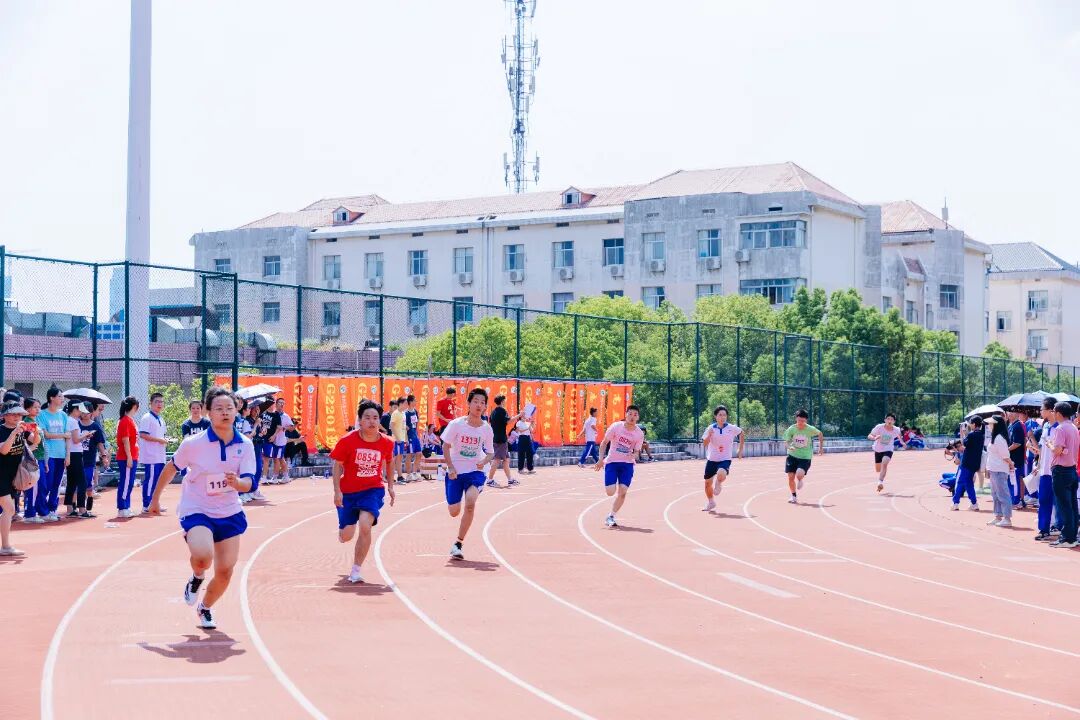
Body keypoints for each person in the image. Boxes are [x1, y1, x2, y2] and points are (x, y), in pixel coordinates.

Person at [149, 386, 255, 630]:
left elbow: (250, 481)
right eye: (219, 408)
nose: (225, 412)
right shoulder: (193, 443)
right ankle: (197, 577)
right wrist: (155, 500)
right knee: (203, 556)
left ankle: (205, 607)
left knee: (225, 571)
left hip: (228, 510)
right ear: (208, 412)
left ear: (236, 411)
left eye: (229, 408)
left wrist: (237, 483)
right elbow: (171, 468)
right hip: (197, 507)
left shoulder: (245, 445)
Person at [331, 400, 396, 583]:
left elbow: (390, 462)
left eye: (375, 418)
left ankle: (356, 570)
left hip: (372, 490)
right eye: (367, 417)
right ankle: (343, 531)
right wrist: (337, 491)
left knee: (366, 525)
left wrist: (391, 486)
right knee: (347, 535)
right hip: (348, 492)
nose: (371, 421)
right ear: (359, 420)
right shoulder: (347, 441)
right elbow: (337, 465)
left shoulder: (387, 443)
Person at [440, 388, 495, 560]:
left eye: (482, 403)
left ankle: (458, 543)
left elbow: (491, 453)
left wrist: (483, 462)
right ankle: (452, 498)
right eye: (476, 401)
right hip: (455, 472)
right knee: (454, 511)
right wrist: (450, 467)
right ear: (469, 403)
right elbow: (445, 445)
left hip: (475, 472)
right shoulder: (456, 424)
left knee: (470, 503)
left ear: (485, 407)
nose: (479, 405)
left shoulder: (486, 429)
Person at [594, 405, 645, 528]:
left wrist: (634, 455)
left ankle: (611, 516)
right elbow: (604, 443)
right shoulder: (616, 427)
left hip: (627, 465)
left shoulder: (639, 433)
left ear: (638, 417)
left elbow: (637, 452)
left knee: (623, 492)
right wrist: (600, 459)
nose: (632, 417)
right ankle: (611, 483)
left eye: (635, 415)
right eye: (630, 414)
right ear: (626, 415)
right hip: (612, 462)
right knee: (610, 492)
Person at [1046, 401, 1080, 548]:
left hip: (1061, 470)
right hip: (1072, 469)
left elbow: (1057, 450)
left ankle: (1067, 538)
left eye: (1054, 411)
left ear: (1059, 413)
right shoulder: (1073, 427)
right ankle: (1071, 537)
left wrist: (1050, 444)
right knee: (1072, 505)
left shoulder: (1060, 429)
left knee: (1064, 505)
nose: (1053, 413)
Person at [700, 405, 744, 512]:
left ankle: (719, 483)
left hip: (725, 458)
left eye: (724, 415)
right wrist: (709, 435)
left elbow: (741, 433)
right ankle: (711, 502)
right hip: (712, 459)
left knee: (721, 472)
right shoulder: (710, 428)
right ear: (715, 416)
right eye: (720, 415)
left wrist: (740, 449)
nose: (722, 417)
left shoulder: (731, 428)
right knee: (707, 484)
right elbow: (705, 444)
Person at [0, 401, 30, 555]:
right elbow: (4, 450)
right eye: (13, 414)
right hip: (1, 475)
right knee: (9, 509)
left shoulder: (22, 428)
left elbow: (35, 441)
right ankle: (5, 547)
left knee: (9, 510)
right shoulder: (1, 430)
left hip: (11, 475)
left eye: (19, 414)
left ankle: (5, 546)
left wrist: (36, 432)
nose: (17, 417)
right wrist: (14, 433)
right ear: (4, 415)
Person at [37, 386, 69, 522]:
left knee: (56, 484)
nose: (62, 399)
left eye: (62, 397)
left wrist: (68, 455)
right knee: (47, 483)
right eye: (60, 396)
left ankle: (52, 510)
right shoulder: (42, 415)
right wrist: (62, 435)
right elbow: (46, 435)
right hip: (48, 454)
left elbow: (68, 437)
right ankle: (42, 510)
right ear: (51, 398)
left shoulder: (63, 415)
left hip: (61, 454)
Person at [783, 409, 824, 504]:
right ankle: (793, 496)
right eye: (799, 420)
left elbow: (820, 433)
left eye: (803, 421)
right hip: (792, 455)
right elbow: (786, 441)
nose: (800, 423)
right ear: (796, 419)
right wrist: (789, 446)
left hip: (805, 457)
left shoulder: (810, 429)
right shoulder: (791, 429)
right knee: (790, 476)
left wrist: (821, 447)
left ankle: (800, 479)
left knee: (799, 473)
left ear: (806, 420)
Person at [138, 392, 169, 514]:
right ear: (150, 403)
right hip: (150, 455)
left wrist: (165, 440)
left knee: (158, 481)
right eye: (157, 402)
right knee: (150, 480)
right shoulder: (147, 417)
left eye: (161, 402)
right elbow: (143, 435)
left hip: (160, 455)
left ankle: (155, 503)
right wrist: (159, 440)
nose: (159, 404)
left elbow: (161, 435)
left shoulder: (161, 418)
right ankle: (146, 504)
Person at [62, 402, 93, 518]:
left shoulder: (67, 420)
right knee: (81, 482)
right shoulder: (73, 421)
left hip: (71, 453)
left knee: (72, 481)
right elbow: (75, 440)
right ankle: (82, 509)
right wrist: (86, 435)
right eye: (80, 410)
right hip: (75, 453)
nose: (81, 412)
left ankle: (70, 508)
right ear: (75, 409)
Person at [1034, 397, 1059, 541]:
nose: (1040, 411)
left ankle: (1059, 528)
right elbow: (1043, 449)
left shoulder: (1059, 428)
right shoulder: (1045, 427)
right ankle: (1044, 529)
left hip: (1056, 470)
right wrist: (1038, 465)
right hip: (1044, 470)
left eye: (1042, 409)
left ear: (1051, 410)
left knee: (1059, 501)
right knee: (1043, 499)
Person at [984, 416, 1015, 527]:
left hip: (999, 470)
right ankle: (998, 516)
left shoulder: (999, 438)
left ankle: (1007, 518)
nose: (988, 425)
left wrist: (1011, 464)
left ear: (996, 425)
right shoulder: (995, 437)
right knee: (995, 494)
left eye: (991, 423)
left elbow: (1005, 456)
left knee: (1002, 494)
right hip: (994, 469)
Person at [19, 397, 46, 524]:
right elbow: (34, 440)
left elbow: (41, 442)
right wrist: (36, 434)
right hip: (31, 458)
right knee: (32, 487)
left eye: (39, 407)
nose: (38, 409)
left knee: (40, 486)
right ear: (27, 409)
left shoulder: (36, 421)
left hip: (39, 457)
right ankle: (30, 513)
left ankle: (39, 511)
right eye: (35, 407)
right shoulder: (26, 423)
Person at [80, 403, 108, 518]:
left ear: (91, 413)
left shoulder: (95, 426)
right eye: (83, 412)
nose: (85, 414)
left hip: (89, 459)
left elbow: (100, 443)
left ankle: (89, 503)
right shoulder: (76, 425)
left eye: (87, 412)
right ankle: (79, 507)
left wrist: (104, 456)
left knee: (88, 482)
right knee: (79, 483)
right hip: (77, 458)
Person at [115, 396, 141, 518]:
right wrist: (129, 457)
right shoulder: (125, 421)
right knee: (126, 482)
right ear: (134, 407)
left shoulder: (130, 420)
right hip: (126, 457)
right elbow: (125, 440)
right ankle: (122, 507)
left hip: (132, 456)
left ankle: (126, 506)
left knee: (129, 483)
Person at [486, 394, 519, 488]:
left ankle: (510, 480)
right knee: (497, 459)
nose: (505, 402)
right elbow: (509, 421)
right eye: (505, 400)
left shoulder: (493, 412)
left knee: (506, 460)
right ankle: (490, 480)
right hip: (500, 439)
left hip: (498, 438)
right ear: (502, 401)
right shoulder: (502, 410)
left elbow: (490, 422)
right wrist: (519, 415)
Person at [953, 416, 984, 511]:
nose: (970, 425)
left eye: (971, 423)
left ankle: (956, 503)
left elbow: (964, 444)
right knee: (967, 482)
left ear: (974, 424)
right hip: (975, 463)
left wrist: (963, 433)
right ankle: (972, 503)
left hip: (967, 463)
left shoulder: (971, 435)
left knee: (962, 482)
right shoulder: (981, 435)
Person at [868, 413, 900, 493]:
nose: (890, 421)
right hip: (878, 449)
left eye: (892, 419)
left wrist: (903, 442)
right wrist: (875, 437)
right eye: (888, 419)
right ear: (885, 420)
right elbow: (869, 435)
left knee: (884, 463)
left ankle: (880, 482)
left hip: (888, 449)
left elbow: (899, 436)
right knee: (878, 469)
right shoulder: (879, 427)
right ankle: (881, 476)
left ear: (894, 421)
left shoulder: (896, 429)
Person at [1006, 410, 1029, 508]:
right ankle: (1015, 500)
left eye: (1012, 412)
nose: (1009, 414)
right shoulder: (1011, 426)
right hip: (1012, 458)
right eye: (1009, 412)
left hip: (1017, 459)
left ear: (1017, 414)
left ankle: (1017, 501)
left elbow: (1017, 443)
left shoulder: (1017, 426)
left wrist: (1005, 450)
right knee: (1012, 480)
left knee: (1015, 480)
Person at [270, 397, 294, 483]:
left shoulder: (285, 416)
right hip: (272, 439)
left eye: (283, 403)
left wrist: (283, 428)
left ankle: (276, 477)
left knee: (278, 459)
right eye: (280, 402)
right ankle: (285, 476)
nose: (282, 404)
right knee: (278, 458)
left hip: (280, 441)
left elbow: (291, 427)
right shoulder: (272, 414)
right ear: (276, 404)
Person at [390, 396, 408, 484]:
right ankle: (391, 476)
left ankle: (400, 476)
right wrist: (397, 438)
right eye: (405, 403)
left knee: (399, 459)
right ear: (400, 403)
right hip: (396, 440)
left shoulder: (403, 414)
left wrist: (406, 439)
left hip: (402, 439)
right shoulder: (395, 413)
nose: (406, 405)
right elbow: (391, 426)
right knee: (394, 458)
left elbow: (404, 427)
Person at [403, 395, 422, 481]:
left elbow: (416, 424)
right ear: (410, 402)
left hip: (415, 436)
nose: (416, 402)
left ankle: (414, 473)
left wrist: (417, 434)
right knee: (409, 455)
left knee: (419, 454)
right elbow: (403, 425)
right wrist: (406, 438)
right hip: (409, 437)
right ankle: (408, 474)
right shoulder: (406, 413)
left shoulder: (415, 412)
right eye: (414, 400)